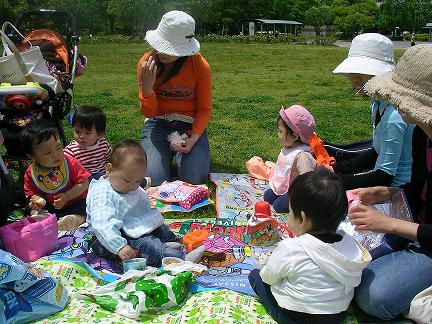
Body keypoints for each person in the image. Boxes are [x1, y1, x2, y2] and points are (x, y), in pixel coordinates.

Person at [349, 44, 432, 320]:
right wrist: (388, 193)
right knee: (350, 264)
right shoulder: (422, 134)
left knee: (373, 295)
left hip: (425, 241)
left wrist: (390, 224)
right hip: (414, 227)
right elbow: (419, 187)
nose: (394, 102)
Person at [249, 168, 371, 324]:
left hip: (295, 317)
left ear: (302, 218)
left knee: (255, 276)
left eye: (290, 211)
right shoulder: (349, 245)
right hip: (336, 315)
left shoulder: (291, 248)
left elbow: (268, 278)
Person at [86, 139, 205, 267]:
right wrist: (119, 246)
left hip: (132, 225)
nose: (133, 186)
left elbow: (139, 197)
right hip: (110, 238)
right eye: (127, 181)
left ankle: (170, 242)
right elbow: (103, 225)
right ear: (109, 170)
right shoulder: (102, 194)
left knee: (160, 227)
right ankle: (181, 258)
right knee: (148, 243)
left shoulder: (126, 182)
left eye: (137, 181)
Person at [138, 10, 212, 187]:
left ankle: (180, 158)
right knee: (152, 180)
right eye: (161, 46)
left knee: (194, 179)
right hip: (157, 122)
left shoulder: (200, 66)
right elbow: (149, 112)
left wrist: (193, 137)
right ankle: (164, 161)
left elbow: (204, 109)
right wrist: (147, 89)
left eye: (169, 48)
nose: (162, 52)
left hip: (188, 123)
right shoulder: (147, 64)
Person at [332, 33, 414, 190]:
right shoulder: (378, 103)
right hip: (381, 182)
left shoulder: (394, 115)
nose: (352, 77)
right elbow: (376, 151)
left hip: (399, 191)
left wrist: (336, 182)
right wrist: (337, 169)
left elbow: (385, 175)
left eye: (359, 72)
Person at [20, 119, 90, 230]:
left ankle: (74, 220)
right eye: (48, 152)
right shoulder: (31, 173)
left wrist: (67, 196)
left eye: (58, 148)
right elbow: (31, 192)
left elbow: (84, 183)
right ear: (31, 155)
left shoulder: (70, 163)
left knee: (84, 207)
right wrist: (36, 200)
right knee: (29, 205)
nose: (56, 155)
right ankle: (41, 218)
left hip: (74, 201)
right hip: (51, 205)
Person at [263, 105, 316, 213]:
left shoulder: (302, 155)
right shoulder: (290, 147)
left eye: (281, 131)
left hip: (296, 192)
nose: (278, 134)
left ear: (295, 136)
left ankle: (298, 204)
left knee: (279, 206)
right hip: (286, 187)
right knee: (268, 196)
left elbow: (308, 179)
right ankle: (282, 194)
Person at [64, 105, 112, 181]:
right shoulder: (70, 151)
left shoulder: (103, 144)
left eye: (88, 133)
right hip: (84, 180)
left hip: (103, 177)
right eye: (77, 131)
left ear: (99, 134)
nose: (82, 136)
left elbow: (110, 159)